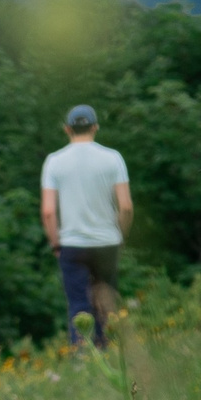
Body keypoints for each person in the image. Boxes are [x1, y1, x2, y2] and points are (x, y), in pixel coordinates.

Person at [40, 104, 133, 347]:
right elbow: (125, 207)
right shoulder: (113, 158)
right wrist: (120, 235)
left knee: (79, 304)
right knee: (106, 301)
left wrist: (55, 243)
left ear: (67, 129)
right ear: (95, 128)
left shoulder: (54, 161)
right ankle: (110, 351)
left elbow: (48, 211)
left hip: (72, 244)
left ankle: (83, 358)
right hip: (107, 242)